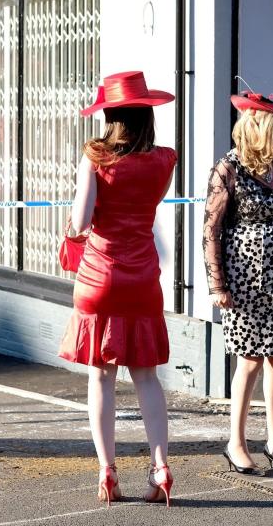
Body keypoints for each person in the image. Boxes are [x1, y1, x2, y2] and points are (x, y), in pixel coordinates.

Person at [57, 71, 177, 507]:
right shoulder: (165, 160)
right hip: (142, 277)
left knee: (101, 376)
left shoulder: (96, 157)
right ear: (146, 114)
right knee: (146, 375)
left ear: (110, 114)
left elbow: (81, 222)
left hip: (98, 278)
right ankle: (160, 467)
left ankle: (108, 472)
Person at [202, 90, 273, 476]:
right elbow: (210, 229)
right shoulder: (227, 169)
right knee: (249, 359)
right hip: (244, 274)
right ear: (261, 130)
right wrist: (217, 284)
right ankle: (236, 442)